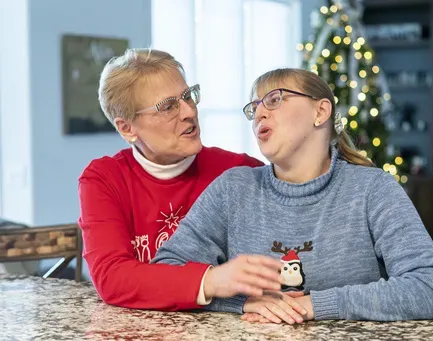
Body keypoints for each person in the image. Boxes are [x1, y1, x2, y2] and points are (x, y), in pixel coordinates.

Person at [152, 68, 433, 323]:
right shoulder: (233, 188)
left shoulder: (373, 189)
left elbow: (431, 288)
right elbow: (163, 274)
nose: (259, 112)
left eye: (274, 99)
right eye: (254, 106)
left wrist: (314, 305)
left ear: (320, 111)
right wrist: (240, 302)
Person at [78, 48, 284, 311]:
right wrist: (210, 280)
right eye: (168, 107)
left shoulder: (239, 171)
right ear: (127, 128)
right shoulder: (104, 179)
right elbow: (113, 278)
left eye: (188, 96)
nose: (189, 111)